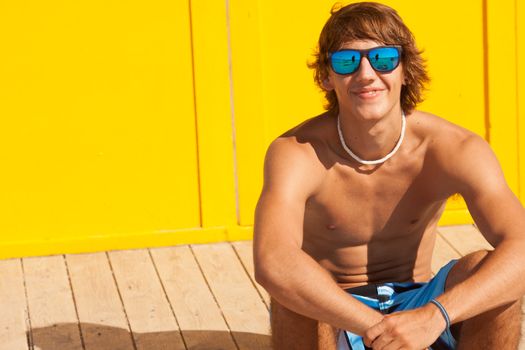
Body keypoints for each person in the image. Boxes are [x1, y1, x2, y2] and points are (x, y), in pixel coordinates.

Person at [252, 2, 525, 349]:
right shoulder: (298, 152)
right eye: (347, 61)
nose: (366, 74)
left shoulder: (453, 148)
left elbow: (521, 248)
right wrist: (380, 328)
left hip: (423, 306)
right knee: (292, 292)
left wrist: (433, 316)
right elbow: (273, 261)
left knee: (491, 273)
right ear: (326, 76)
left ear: (405, 69)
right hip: (336, 314)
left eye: (383, 59)